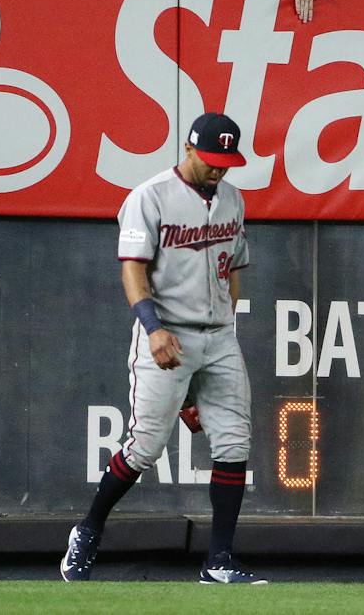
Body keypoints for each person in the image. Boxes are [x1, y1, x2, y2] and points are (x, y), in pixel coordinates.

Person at [59, 111, 266, 586]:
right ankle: (88, 530)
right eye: (211, 159)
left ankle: (219, 560)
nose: (218, 169)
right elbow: (132, 267)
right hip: (166, 333)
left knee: (234, 443)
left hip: (218, 337)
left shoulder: (233, 200)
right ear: (189, 149)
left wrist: (224, 327)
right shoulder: (149, 197)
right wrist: (152, 328)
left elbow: (234, 269)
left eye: (226, 161)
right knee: (144, 447)